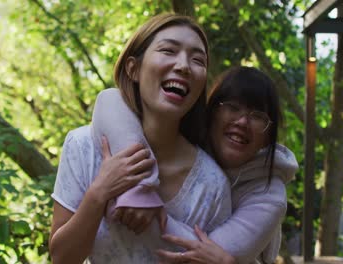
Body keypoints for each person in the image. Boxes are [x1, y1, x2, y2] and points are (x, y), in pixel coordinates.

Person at [49, 13, 232, 264]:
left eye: (197, 59)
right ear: (133, 68)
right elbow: (61, 258)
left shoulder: (212, 184)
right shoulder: (83, 146)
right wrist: (100, 191)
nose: (183, 65)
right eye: (168, 51)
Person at [93, 66, 298, 263]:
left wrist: (144, 203)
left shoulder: (269, 195)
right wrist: (139, 188)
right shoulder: (183, 138)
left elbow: (198, 257)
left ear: (268, 136)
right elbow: (109, 99)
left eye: (258, 117)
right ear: (211, 113)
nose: (242, 122)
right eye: (232, 107)